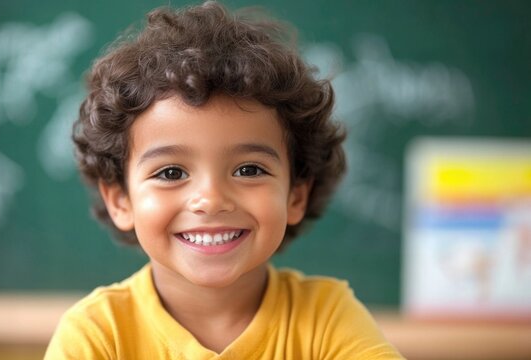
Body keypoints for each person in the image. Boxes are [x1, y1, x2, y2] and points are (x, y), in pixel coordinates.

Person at [45, 1, 403, 359]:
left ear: (295, 195)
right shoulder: (98, 335)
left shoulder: (327, 317)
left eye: (249, 170)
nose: (211, 199)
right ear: (121, 200)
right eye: (171, 173)